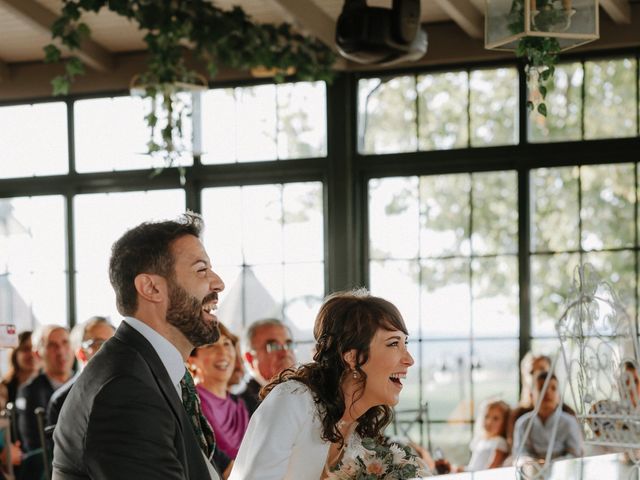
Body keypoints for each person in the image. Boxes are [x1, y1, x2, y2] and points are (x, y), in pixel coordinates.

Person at [52, 213, 225, 479]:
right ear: (151, 288)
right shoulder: (126, 390)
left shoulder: (147, 370)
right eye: (201, 269)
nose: (218, 283)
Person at [229, 289, 415, 479]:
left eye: (405, 344)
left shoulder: (360, 429)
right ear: (352, 357)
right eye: (393, 344)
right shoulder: (293, 400)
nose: (409, 360)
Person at [189, 322, 249, 474]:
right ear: (192, 359)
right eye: (210, 346)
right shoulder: (190, 403)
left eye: (227, 344)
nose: (223, 352)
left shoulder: (242, 405)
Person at [46, 316, 115, 427]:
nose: (111, 349)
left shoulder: (128, 390)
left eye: (114, 342)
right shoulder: (62, 401)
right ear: (81, 354)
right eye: (100, 344)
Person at [16, 325, 73, 452]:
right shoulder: (29, 392)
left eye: (65, 343)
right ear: (38, 353)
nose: (60, 351)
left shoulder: (85, 383)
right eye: (52, 345)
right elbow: (35, 447)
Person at [513, 372, 583, 462]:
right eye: (541, 388)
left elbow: (575, 454)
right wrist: (535, 464)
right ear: (531, 395)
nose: (547, 392)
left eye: (553, 388)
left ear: (559, 396)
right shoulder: (523, 423)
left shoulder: (569, 422)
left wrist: (552, 465)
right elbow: (520, 454)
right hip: (532, 471)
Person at [239, 318, 296, 415]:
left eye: (288, 344)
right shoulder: (241, 410)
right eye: (274, 346)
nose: (285, 353)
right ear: (249, 358)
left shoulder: (306, 396)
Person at [461, 400, 510, 471]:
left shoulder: (500, 442)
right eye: (487, 417)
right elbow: (473, 466)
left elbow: (491, 469)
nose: (489, 422)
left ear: (505, 422)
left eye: (495, 419)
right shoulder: (481, 441)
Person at [2, 331, 39, 406]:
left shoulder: (49, 383)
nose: (32, 354)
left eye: (35, 348)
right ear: (15, 354)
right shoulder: (4, 388)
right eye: (26, 349)